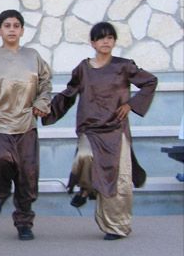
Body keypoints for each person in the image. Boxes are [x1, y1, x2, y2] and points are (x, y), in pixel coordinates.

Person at [42, 21, 157, 240]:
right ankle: (87, 188)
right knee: (84, 158)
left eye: (110, 37)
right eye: (101, 38)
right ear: (92, 43)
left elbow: (150, 82)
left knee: (119, 179)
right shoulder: (83, 69)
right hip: (90, 129)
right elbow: (68, 94)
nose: (106, 41)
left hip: (116, 130)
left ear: (114, 42)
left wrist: (131, 104)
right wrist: (45, 111)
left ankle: (116, 227)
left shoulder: (124, 66)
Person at [0, 9, 52, 241]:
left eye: (16, 26)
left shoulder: (33, 57)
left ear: (22, 30)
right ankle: (0, 193)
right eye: (7, 26)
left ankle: (24, 223)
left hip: (26, 123)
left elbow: (46, 83)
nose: (12, 30)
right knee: (0, 157)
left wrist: (42, 101)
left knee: (27, 175)